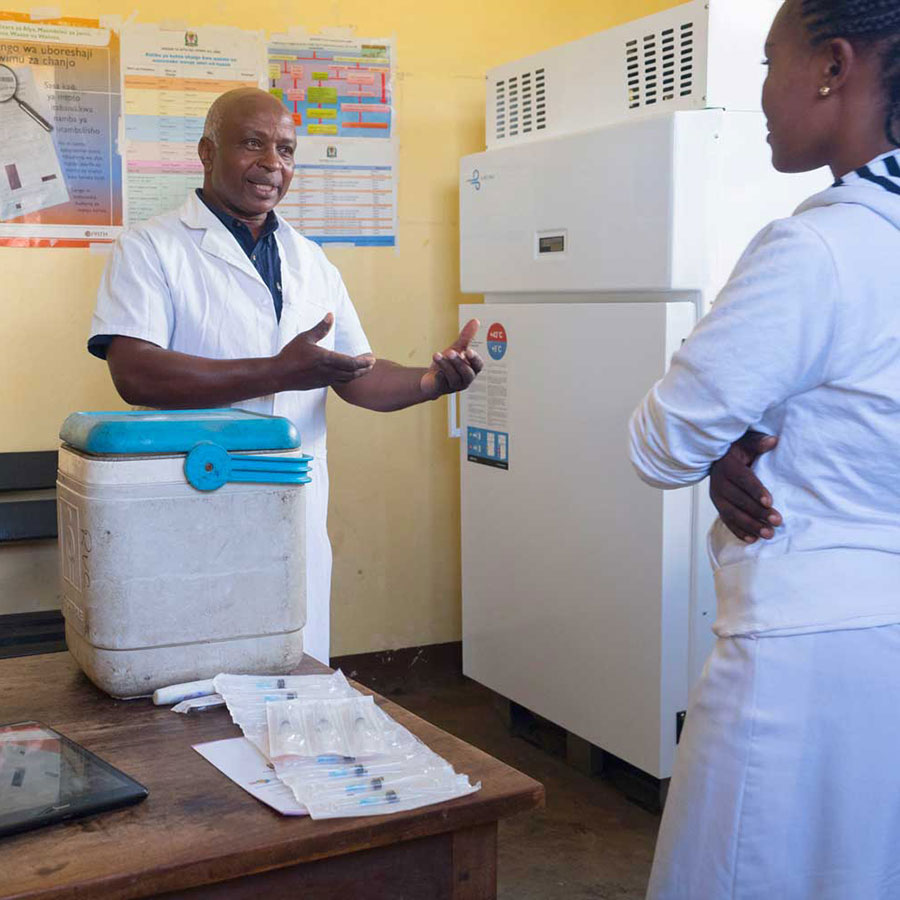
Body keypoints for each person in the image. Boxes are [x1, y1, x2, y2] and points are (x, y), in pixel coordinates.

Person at [629, 1, 900, 896]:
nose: (762, 94)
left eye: (768, 64)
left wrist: (724, 445)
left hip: (804, 654)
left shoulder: (816, 244)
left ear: (833, 65)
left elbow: (663, 441)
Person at [88, 88, 483, 664]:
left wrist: (430, 382)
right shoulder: (150, 248)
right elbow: (135, 372)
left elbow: (356, 375)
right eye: (252, 143)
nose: (272, 163)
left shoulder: (311, 260)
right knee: (194, 679)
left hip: (292, 505)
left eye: (286, 149)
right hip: (193, 499)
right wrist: (278, 371)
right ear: (206, 151)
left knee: (293, 671)